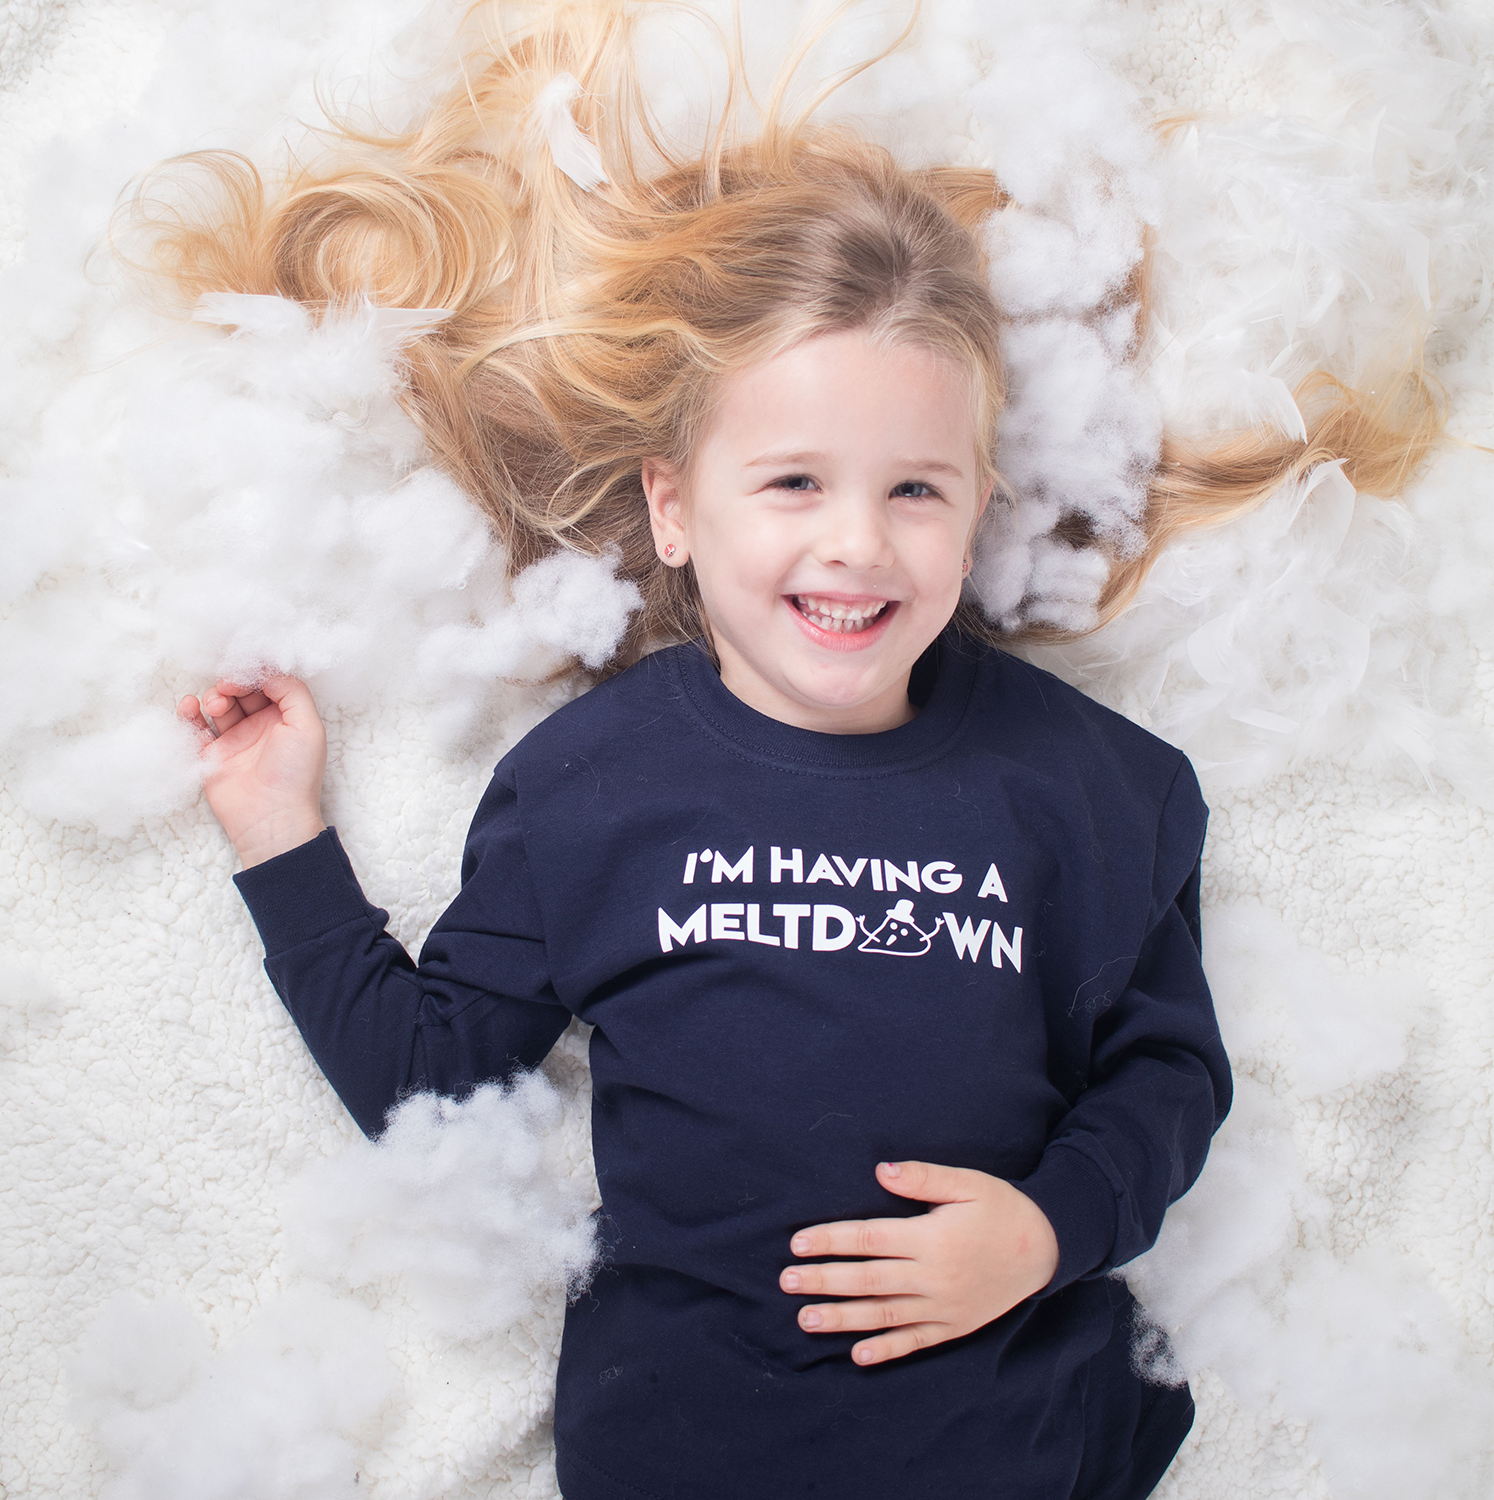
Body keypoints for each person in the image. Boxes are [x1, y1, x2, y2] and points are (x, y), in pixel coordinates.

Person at [161, 4, 1436, 1496]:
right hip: (683, 1457)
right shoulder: (589, 786)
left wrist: (1043, 1232)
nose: (855, 543)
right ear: (678, 509)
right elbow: (437, 1087)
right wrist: (278, 834)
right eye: (791, 481)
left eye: (913, 487)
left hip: (1018, 1449)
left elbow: (1166, 1080)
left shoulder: (1098, 791)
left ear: (978, 502)